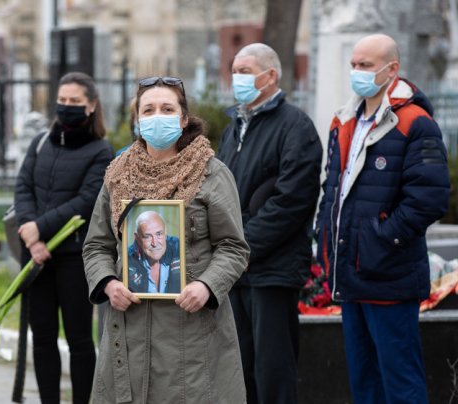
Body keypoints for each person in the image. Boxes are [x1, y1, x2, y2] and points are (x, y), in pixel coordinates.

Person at [83, 76, 249, 403]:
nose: (157, 116)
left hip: (192, 334)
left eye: (167, 108)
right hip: (128, 331)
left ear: (183, 118)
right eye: (148, 110)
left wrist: (206, 286)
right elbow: (97, 245)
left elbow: (234, 247)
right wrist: (108, 283)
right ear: (138, 119)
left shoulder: (211, 174)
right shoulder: (117, 175)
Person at [314, 33, 449, 404]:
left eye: (366, 66)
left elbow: (429, 199)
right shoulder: (345, 121)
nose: (356, 72)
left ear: (392, 69)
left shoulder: (414, 122)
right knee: (365, 381)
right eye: (354, 65)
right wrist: (325, 237)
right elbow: (334, 190)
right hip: (351, 273)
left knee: (400, 381)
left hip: (388, 274)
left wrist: (380, 240)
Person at [216, 43, 322, 404]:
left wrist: (240, 246)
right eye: (235, 71)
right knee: (239, 372)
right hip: (235, 272)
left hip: (273, 271)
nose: (237, 79)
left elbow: (292, 201)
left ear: (271, 75)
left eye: (246, 71)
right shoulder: (233, 129)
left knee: (273, 373)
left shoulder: (296, 126)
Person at [14, 71, 113, 404]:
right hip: (37, 256)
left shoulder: (101, 150)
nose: (67, 107)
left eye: (75, 102)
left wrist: (39, 228)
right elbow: (23, 186)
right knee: (41, 338)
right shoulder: (40, 141)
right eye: (63, 100)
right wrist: (32, 237)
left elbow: (87, 200)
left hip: (74, 258)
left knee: (79, 341)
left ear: (91, 106)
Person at [126, 210, 181, 294]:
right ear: (137, 237)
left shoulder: (179, 247)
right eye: (147, 237)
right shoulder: (127, 259)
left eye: (159, 234)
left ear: (165, 232)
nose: (154, 243)